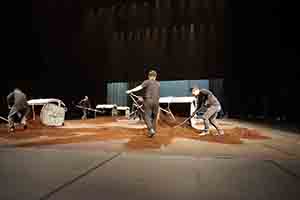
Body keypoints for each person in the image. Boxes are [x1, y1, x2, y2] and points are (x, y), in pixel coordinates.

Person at [126, 70, 160, 137]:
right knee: (154, 117)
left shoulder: (147, 81)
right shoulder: (158, 83)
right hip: (156, 102)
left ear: (149, 76)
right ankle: (153, 131)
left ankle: (151, 130)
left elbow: (139, 87)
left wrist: (130, 90)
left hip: (148, 101)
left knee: (146, 116)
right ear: (155, 76)